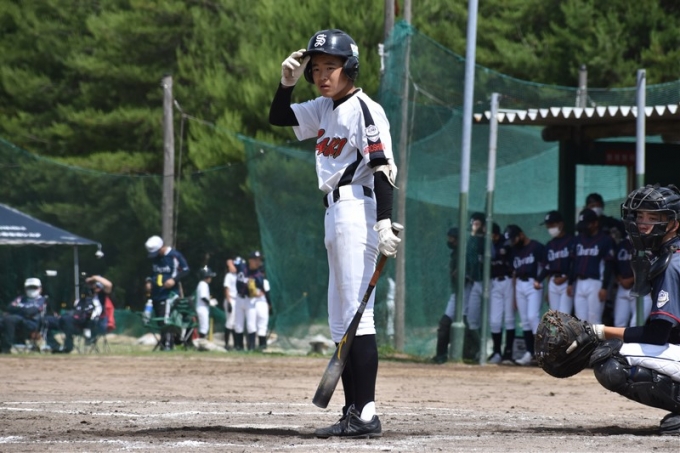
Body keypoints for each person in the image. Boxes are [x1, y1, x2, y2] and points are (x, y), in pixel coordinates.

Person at [269, 28, 400, 439]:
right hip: (335, 213)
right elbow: (279, 117)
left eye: (332, 67)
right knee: (342, 321)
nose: (322, 75)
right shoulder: (325, 107)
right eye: (316, 68)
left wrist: (384, 222)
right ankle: (353, 411)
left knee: (359, 317)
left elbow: (382, 168)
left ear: (350, 68)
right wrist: (286, 84)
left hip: (357, 211)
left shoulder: (365, 109)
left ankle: (367, 412)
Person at [587, 183, 680, 435]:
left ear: (674, 223)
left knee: (612, 358)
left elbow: (658, 335)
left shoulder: (672, 263)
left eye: (653, 217)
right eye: (640, 216)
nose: (643, 224)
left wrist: (599, 332)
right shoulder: (670, 253)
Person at [504, 224, 546, 366]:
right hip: (519, 284)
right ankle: (530, 352)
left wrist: (540, 281)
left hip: (533, 283)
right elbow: (514, 273)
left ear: (521, 235)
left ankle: (541, 352)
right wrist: (514, 295)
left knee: (532, 316)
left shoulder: (536, 247)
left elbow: (546, 266)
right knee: (525, 320)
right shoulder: (514, 251)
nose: (512, 242)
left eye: (514, 239)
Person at [567, 208, 615, 325]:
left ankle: (596, 339)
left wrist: (604, 287)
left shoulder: (605, 240)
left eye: (587, 224)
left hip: (596, 282)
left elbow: (609, 265)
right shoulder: (578, 239)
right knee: (580, 321)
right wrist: (570, 283)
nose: (584, 228)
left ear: (595, 223)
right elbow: (573, 263)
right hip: (579, 282)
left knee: (594, 320)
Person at [145, 235, 190, 350]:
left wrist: (174, 280)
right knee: (160, 320)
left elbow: (186, 270)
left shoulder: (174, 255)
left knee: (166, 320)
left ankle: (168, 344)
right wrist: (149, 281)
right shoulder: (156, 258)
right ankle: (164, 343)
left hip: (169, 294)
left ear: (162, 247)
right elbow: (152, 272)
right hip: (156, 294)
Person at [1, 278, 61, 353]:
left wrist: (18, 309)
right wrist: (23, 310)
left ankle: (6, 347)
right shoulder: (21, 298)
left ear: (40, 289)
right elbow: (10, 307)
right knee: (4, 320)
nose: (31, 290)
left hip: (32, 324)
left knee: (9, 319)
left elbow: (31, 311)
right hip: (17, 321)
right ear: (25, 289)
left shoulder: (42, 300)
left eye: (34, 287)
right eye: (29, 287)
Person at [57, 275, 113, 353]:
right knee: (65, 319)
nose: (95, 288)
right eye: (93, 286)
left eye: (97, 286)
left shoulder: (101, 296)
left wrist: (94, 278)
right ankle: (67, 346)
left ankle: (87, 335)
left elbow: (109, 285)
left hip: (96, 323)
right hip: (81, 321)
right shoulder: (85, 297)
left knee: (86, 318)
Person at [536, 210, 575, 315]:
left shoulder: (572, 241)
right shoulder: (549, 245)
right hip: (553, 282)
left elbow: (575, 264)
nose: (550, 228)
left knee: (563, 315)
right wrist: (547, 286)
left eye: (552, 225)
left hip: (567, 280)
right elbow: (547, 267)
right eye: (548, 226)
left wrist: (566, 278)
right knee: (555, 317)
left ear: (561, 224)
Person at [488, 222, 515, 364]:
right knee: (494, 320)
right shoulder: (488, 245)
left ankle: (508, 353)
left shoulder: (506, 243)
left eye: (491, 234)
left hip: (508, 280)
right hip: (494, 282)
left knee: (509, 318)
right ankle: (496, 352)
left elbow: (510, 250)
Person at [612, 230, 652, 327]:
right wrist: (621, 279)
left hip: (642, 288)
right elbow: (614, 265)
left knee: (636, 324)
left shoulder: (649, 244)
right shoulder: (622, 244)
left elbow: (650, 269)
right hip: (622, 287)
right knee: (619, 324)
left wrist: (630, 280)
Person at [432, 227, 459, 364]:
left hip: (469, 291)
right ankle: (441, 355)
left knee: (470, 324)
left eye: (452, 238)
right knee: (444, 323)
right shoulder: (455, 253)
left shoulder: (465, 252)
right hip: (457, 293)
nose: (450, 241)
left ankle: (473, 353)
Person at [463, 212, 486, 363]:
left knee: (493, 320)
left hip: (490, 282)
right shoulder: (471, 240)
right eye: (473, 223)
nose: (474, 227)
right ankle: (480, 349)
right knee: (471, 319)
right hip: (475, 282)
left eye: (477, 224)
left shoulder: (486, 240)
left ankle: (493, 351)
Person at [247, 251, 272, 351]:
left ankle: (251, 346)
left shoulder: (250, 277)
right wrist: (270, 305)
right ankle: (262, 346)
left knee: (252, 325)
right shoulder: (264, 280)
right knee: (262, 325)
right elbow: (267, 294)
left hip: (252, 302)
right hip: (262, 303)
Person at [194, 265, 219, 350]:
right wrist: (210, 302)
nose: (210, 278)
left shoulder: (202, 284)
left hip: (203, 308)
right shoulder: (203, 284)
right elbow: (203, 297)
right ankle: (201, 345)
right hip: (202, 308)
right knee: (204, 327)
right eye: (209, 276)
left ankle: (202, 344)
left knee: (204, 327)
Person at [223, 257, 242, 350]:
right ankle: (226, 344)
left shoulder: (239, 275)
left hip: (237, 300)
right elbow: (226, 288)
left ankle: (236, 344)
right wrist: (229, 301)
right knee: (230, 322)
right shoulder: (229, 275)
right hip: (231, 299)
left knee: (235, 323)